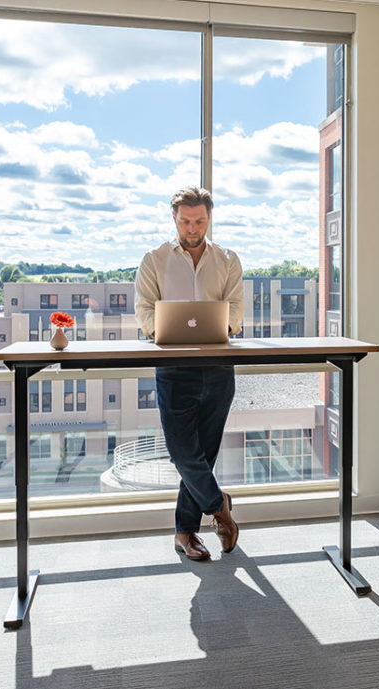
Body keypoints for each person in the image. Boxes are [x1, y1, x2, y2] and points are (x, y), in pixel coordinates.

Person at [135, 186, 243, 561]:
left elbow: (236, 314)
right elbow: (145, 312)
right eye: (185, 221)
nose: (192, 228)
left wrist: (219, 327)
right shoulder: (154, 259)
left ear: (209, 218)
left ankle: (185, 533)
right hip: (173, 367)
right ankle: (219, 507)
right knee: (183, 452)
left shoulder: (228, 260)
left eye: (199, 221)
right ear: (174, 219)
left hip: (217, 367)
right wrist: (162, 330)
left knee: (204, 453)